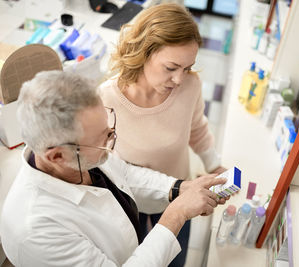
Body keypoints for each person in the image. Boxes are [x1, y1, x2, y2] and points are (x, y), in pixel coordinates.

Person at [0, 71, 229, 267]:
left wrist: (180, 187)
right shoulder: (35, 231)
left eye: (109, 129)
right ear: (57, 155)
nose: (111, 144)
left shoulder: (78, 155)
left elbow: (125, 174)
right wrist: (176, 214)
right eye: (103, 139)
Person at [100, 4, 226, 266]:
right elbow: (102, 162)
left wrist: (215, 165)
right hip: (128, 202)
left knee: (174, 261)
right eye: (171, 67)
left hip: (181, 194)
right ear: (144, 52)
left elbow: (197, 129)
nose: (179, 79)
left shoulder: (190, 85)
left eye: (187, 67)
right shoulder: (106, 99)